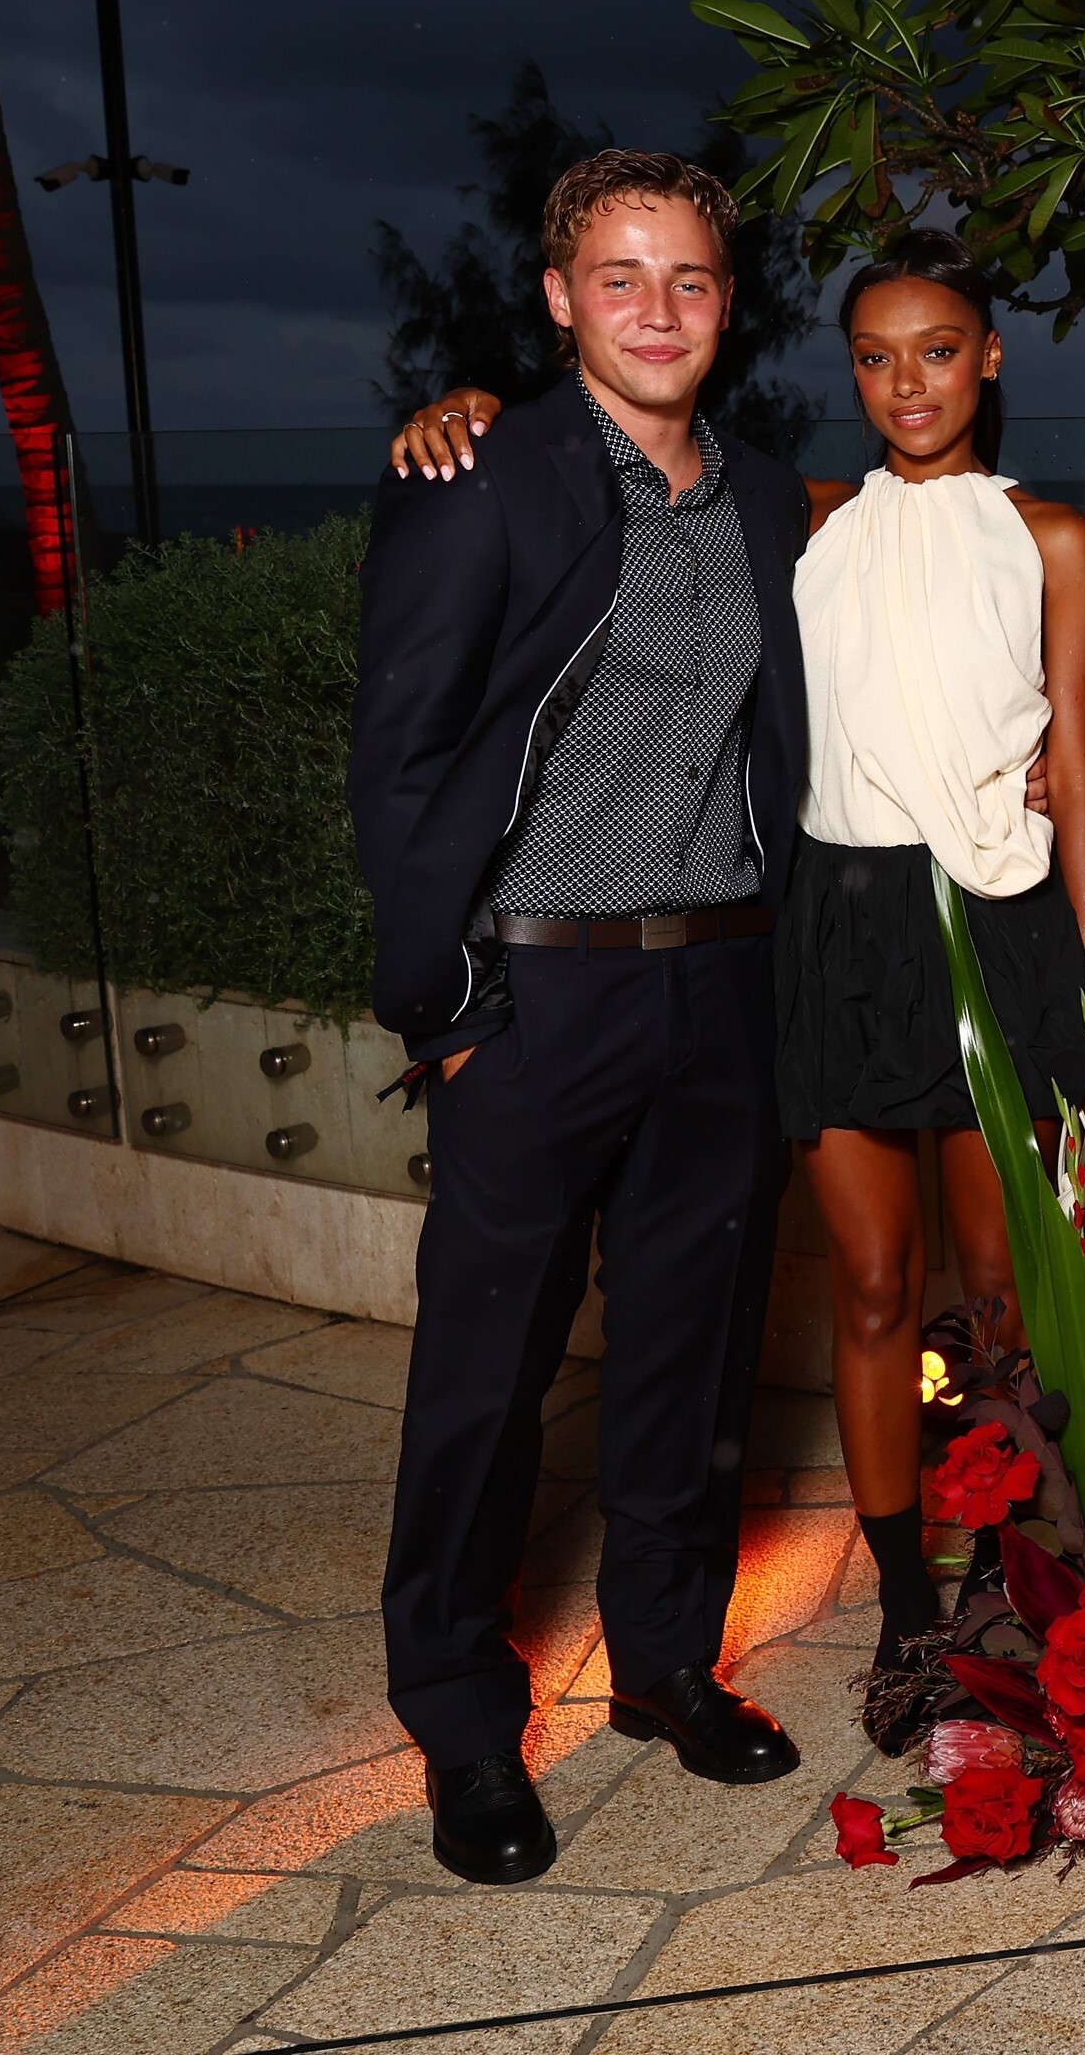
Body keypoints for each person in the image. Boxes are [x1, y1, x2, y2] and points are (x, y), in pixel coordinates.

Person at [390, 235, 1085, 1748]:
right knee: (834, 1291)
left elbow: (1065, 760)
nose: (907, 381)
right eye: (875, 355)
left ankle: (974, 1594)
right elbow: (429, 726)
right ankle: (885, 1616)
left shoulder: (935, 520)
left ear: (989, 358)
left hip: (895, 945)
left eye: (938, 349)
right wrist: (473, 407)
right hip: (763, 946)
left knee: (940, 1308)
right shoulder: (784, 512)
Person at [353, 152, 810, 1885]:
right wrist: (451, 1007)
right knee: (486, 1378)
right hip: (536, 994)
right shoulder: (480, 477)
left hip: (721, 980)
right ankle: (462, 1717)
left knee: (693, 1354)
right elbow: (400, 763)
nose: (658, 310)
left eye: (689, 278)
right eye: (621, 277)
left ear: (727, 302)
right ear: (559, 299)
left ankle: (668, 1661)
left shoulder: (765, 499)